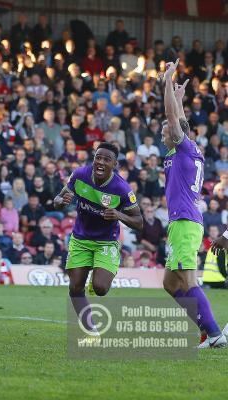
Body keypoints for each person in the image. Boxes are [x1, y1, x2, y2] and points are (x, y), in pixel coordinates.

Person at [163, 60, 226, 348]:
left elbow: (174, 120)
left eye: (167, 131)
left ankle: (214, 333)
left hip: (185, 222)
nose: (165, 134)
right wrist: (178, 97)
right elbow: (179, 119)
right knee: (170, 283)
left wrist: (166, 80)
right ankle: (206, 329)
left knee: (188, 281)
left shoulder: (183, 146)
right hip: (182, 222)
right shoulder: (190, 150)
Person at [54, 142, 143, 336]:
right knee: (75, 288)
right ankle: (91, 330)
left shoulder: (122, 189)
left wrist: (120, 215)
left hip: (106, 241)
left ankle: (95, 280)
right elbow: (58, 200)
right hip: (80, 239)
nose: (101, 162)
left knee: (100, 288)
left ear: (115, 164)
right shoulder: (79, 175)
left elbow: (139, 221)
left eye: (106, 159)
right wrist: (61, 201)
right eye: (98, 157)